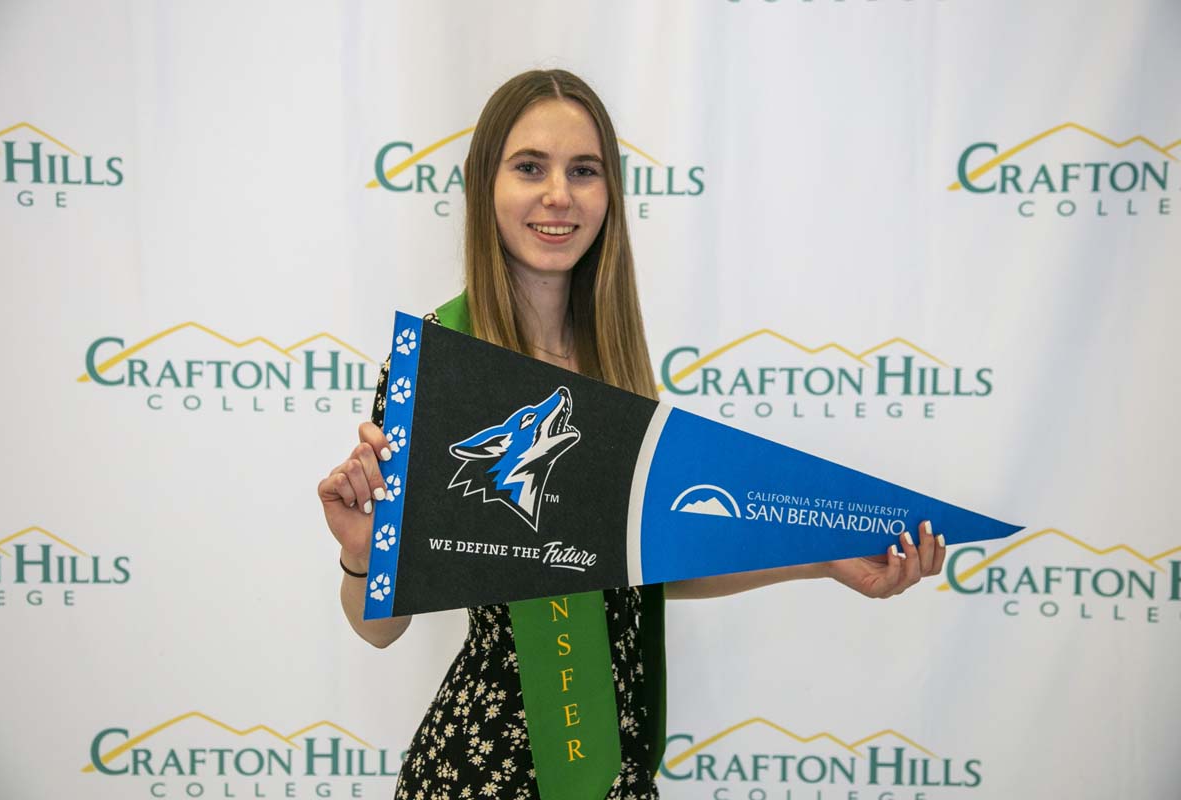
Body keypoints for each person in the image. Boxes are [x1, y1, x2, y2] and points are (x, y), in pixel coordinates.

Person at [317, 69, 946, 800]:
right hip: (479, 773)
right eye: (530, 168)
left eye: (584, 171)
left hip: (614, 772)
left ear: (609, 194)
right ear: (484, 183)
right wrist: (362, 557)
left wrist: (821, 557)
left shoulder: (617, 362)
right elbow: (378, 630)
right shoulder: (437, 361)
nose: (559, 194)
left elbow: (636, 570)